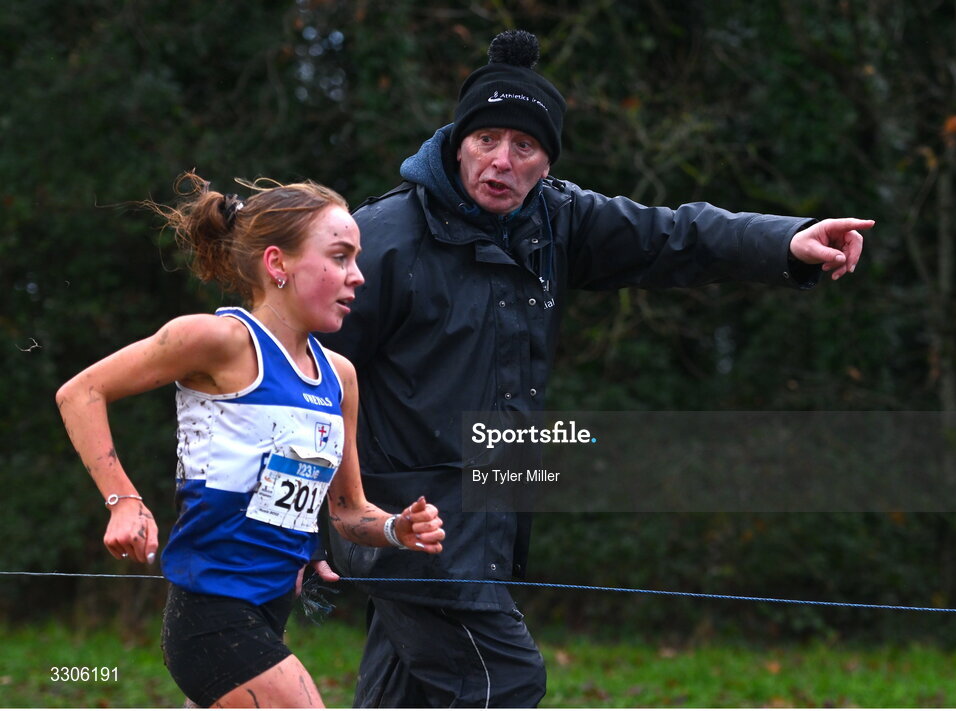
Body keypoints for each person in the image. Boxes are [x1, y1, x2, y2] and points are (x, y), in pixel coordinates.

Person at [315, 29, 874, 707]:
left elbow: (676, 236)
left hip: (485, 517)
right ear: (457, 141)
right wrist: (308, 523)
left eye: (523, 146)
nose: (501, 160)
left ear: (546, 162)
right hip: (411, 529)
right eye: (486, 139)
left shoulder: (558, 223)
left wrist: (785, 240)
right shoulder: (383, 240)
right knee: (506, 683)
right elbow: (299, 371)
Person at [55, 172, 445, 708]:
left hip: (271, 614)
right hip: (211, 617)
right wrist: (123, 500)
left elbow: (348, 513)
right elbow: (81, 393)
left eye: (357, 259)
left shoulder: (341, 377)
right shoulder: (217, 340)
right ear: (277, 264)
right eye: (338, 256)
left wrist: (398, 529)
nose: (357, 276)